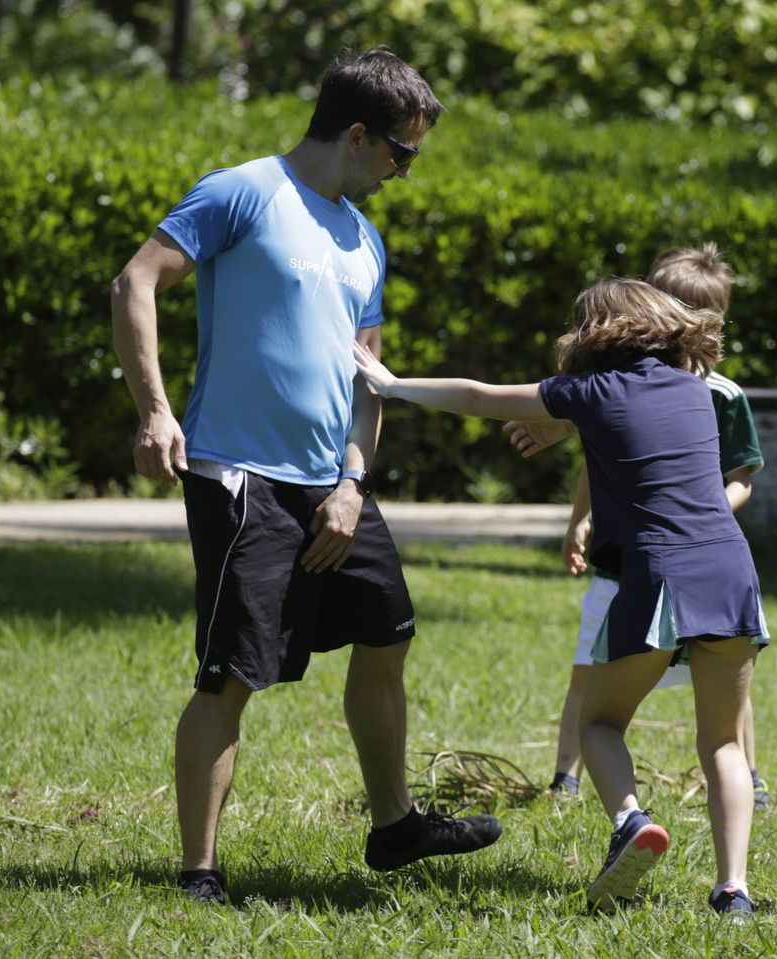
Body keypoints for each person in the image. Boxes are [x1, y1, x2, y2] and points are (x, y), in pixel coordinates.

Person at [109, 48, 501, 907]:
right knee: (231, 673)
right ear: (357, 136)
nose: (407, 171)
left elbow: (371, 376)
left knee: (388, 629)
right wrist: (155, 409)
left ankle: (395, 823)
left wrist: (354, 482)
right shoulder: (243, 192)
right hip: (238, 475)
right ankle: (200, 872)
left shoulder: (367, 240)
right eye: (404, 152)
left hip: (331, 485)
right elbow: (137, 281)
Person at [353, 278, 769, 918]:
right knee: (723, 744)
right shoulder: (694, 390)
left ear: (593, 337)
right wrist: (567, 426)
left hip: (660, 574)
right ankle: (733, 889)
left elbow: (483, 398)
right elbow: (642, 436)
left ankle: (631, 822)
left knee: (598, 722)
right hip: (731, 570)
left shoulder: (592, 391)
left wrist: (393, 384)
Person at [506, 244, 768, 808]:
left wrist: (705, 513)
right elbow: (604, 456)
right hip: (637, 559)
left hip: (688, 555)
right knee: (591, 670)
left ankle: (752, 775)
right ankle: (566, 777)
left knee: (724, 691)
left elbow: (742, 473)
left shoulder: (719, 396)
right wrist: (581, 520)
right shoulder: (625, 383)